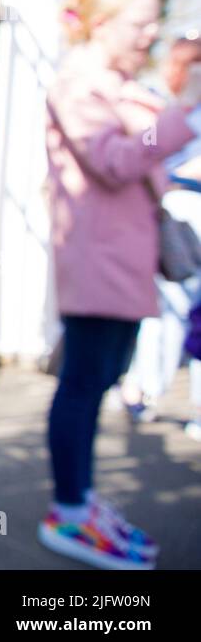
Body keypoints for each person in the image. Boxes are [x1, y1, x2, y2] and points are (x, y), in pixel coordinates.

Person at [42, 0, 201, 569]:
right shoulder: (81, 84)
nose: (151, 35)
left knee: (101, 376)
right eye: (141, 25)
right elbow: (115, 160)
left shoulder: (115, 83)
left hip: (121, 258)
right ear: (104, 26)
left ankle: (79, 500)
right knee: (84, 385)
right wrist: (185, 113)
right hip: (100, 259)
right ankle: (69, 511)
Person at [121, 36, 201, 433]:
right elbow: (145, 149)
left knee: (184, 309)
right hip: (168, 213)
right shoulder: (155, 107)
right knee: (164, 305)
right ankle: (143, 385)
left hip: (184, 208)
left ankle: (155, 388)